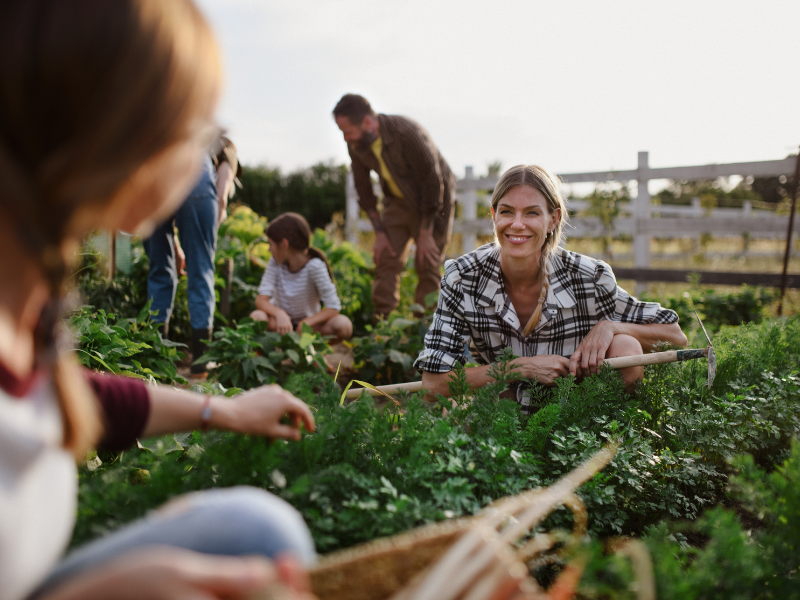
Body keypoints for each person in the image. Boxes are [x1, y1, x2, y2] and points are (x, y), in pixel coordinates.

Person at [0, 2, 317, 599]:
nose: (205, 151)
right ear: (132, 138)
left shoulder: (26, 306)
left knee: (256, 529)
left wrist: (219, 410)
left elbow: (61, 395)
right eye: (197, 126)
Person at [414, 165, 688, 413]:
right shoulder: (463, 277)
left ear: (553, 219)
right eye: (507, 211)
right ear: (494, 215)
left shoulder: (588, 277)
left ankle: (610, 442)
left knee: (626, 347)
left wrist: (611, 327)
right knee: (465, 411)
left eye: (532, 212)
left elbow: (675, 337)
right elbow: (432, 385)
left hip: (577, 409)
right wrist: (520, 367)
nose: (517, 224)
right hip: (504, 408)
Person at [333, 93, 455, 317]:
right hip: (396, 202)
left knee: (427, 262)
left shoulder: (406, 133)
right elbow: (363, 187)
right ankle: (384, 325)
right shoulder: (357, 144)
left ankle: (427, 325)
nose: (345, 139)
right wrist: (379, 232)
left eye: (347, 132)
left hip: (433, 202)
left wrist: (426, 233)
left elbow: (431, 182)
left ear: (368, 123)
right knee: (386, 259)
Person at [143, 135, 241, 375]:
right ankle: (201, 359)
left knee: (160, 271)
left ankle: (158, 357)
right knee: (201, 270)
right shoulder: (213, 138)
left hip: (151, 175)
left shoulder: (155, 124)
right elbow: (227, 161)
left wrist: (173, 244)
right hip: (195, 172)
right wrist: (222, 199)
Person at [251, 213, 353, 340]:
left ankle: (314, 351)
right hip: (281, 326)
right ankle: (270, 353)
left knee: (344, 325)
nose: (269, 250)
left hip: (308, 328)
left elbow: (333, 307)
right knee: (257, 317)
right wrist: (279, 313)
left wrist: (306, 323)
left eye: (271, 244)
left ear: (284, 245)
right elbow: (261, 300)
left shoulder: (314, 266)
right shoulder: (275, 263)